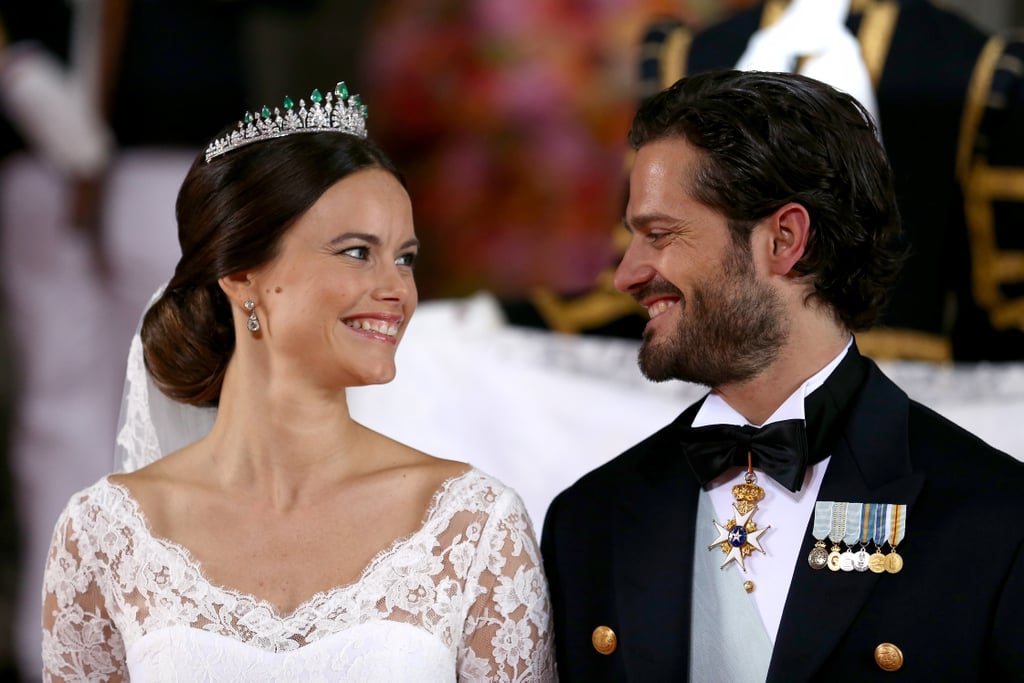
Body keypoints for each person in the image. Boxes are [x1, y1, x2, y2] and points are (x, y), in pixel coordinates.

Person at [40, 81, 554, 681]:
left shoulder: (473, 526)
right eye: (357, 252)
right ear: (240, 273)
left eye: (406, 258)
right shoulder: (104, 533)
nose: (396, 290)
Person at [541, 69, 1024, 682]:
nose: (628, 275)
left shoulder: (997, 520)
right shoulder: (590, 521)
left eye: (659, 235)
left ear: (785, 239)